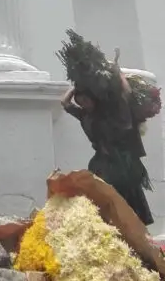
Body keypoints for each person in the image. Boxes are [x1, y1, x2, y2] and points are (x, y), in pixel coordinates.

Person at [61, 72, 154, 226]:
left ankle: (131, 226)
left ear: (94, 98)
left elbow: (127, 94)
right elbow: (65, 103)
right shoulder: (84, 115)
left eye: (86, 99)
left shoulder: (112, 114)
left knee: (126, 196)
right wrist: (76, 86)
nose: (83, 104)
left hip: (121, 162)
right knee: (101, 194)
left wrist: (119, 75)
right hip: (102, 160)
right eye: (80, 101)